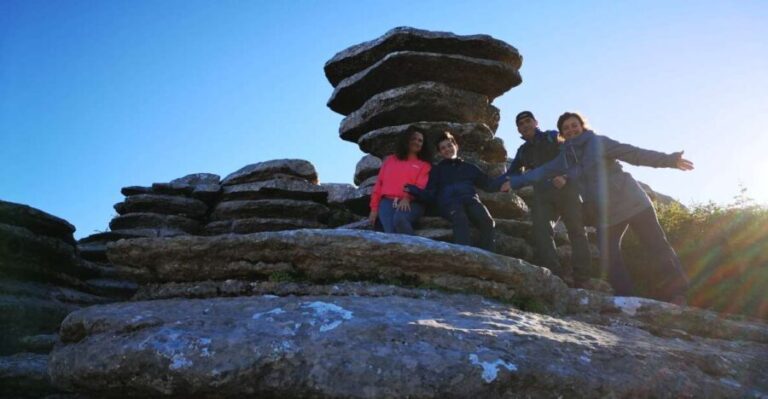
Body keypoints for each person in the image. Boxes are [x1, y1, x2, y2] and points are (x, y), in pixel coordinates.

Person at [505, 112, 694, 304]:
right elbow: (542, 171)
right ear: (562, 133)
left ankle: (678, 294)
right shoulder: (565, 157)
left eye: (574, 125)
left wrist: (669, 160)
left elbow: (634, 154)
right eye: (566, 128)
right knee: (608, 255)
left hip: (632, 202)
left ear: (582, 126)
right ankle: (626, 299)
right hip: (607, 213)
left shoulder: (598, 142)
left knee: (656, 246)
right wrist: (514, 182)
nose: (571, 130)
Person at [502, 111, 593, 284]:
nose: (525, 125)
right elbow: (511, 174)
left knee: (577, 231)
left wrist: (566, 176)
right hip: (542, 195)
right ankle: (555, 276)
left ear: (536, 122)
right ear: (518, 130)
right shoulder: (523, 151)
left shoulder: (553, 136)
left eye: (528, 121)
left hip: (567, 190)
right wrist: (490, 183)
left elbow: (573, 156)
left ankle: (582, 278)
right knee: (541, 231)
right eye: (521, 124)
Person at [405, 131, 503, 251]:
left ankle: (487, 255)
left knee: (487, 222)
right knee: (460, 218)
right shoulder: (437, 170)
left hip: (471, 200)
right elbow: (431, 193)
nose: (447, 149)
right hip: (449, 203)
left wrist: (505, 181)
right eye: (443, 148)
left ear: (456, 146)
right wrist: (414, 190)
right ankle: (464, 254)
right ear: (440, 152)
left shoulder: (469, 168)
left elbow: (488, 184)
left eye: (449, 145)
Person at [368, 127, 432, 235]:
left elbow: (420, 185)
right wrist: (374, 209)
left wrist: (407, 197)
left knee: (400, 220)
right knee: (390, 232)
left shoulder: (424, 165)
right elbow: (379, 184)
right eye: (413, 138)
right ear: (406, 140)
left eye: (420, 141)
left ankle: (414, 245)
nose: (416, 142)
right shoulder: (390, 160)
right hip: (387, 201)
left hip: (413, 202)